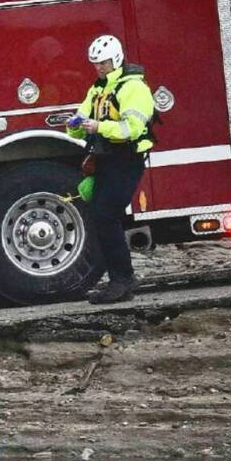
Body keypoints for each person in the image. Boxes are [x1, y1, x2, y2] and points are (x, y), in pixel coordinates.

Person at [67, 35, 155, 304]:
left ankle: (122, 280)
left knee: (106, 215)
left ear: (116, 58)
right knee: (100, 215)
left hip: (126, 159)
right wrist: (75, 124)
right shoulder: (98, 88)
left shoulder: (133, 88)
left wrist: (99, 127)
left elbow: (132, 129)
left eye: (103, 62)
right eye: (95, 64)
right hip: (106, 159)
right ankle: (120, 279)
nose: (98, 68)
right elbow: (79, 122)